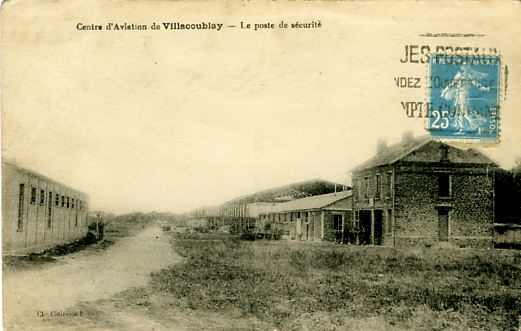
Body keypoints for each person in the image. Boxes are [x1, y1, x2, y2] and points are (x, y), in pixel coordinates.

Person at [441, 63, 490, 134]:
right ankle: (462, 129)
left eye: (464, 66)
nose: (463, 67)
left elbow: (451, 84)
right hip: (463, 94)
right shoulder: (469, 76)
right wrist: (485, 89)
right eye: (462, 66)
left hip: (462, 94)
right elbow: (478, 86)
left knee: (464, 113)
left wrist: (444, 92)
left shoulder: (460, 75)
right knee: (459, 111)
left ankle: (479, 124)